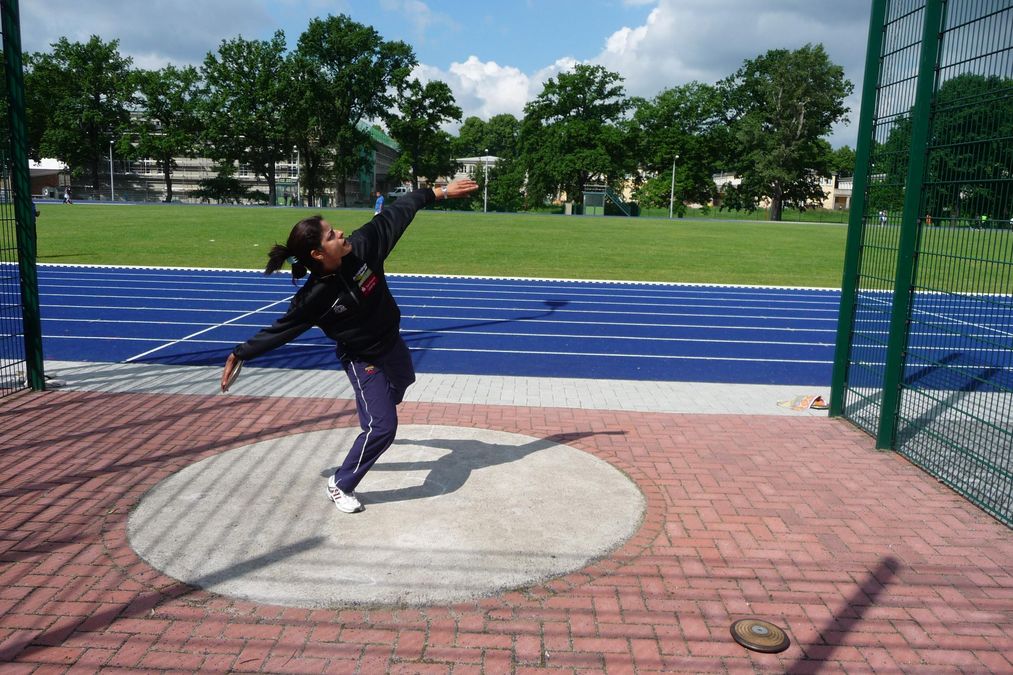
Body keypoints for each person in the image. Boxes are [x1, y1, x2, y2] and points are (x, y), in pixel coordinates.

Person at [220, 178, 479, 514]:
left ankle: (372, 412)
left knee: (403, 383)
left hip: (392, 343)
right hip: (361, 356)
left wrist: (439, 192)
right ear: (317, 254)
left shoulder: (364, 247)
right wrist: (239, 353)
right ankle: (341, 483)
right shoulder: (313, 299)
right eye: (331, 235)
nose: (340, 233)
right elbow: (280, 331)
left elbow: (399, 211)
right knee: (383, 428)